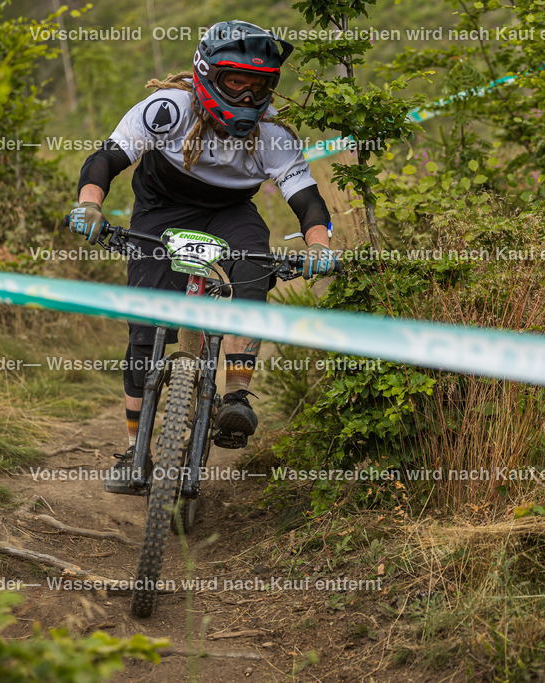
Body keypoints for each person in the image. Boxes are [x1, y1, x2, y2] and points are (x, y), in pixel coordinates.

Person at [69, 20, 337, 493]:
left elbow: (307, 200)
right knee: (144, 323)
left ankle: (235, 396)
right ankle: (137, 453)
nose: (249, 96)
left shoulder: (272, 131)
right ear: (206, 74)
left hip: (230, 213)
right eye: (237, 81)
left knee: (253, 266)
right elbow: (107, 157)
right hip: (161, 211)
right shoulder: (168, 109)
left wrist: (318, 243)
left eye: (259, 86)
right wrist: (90, 203)